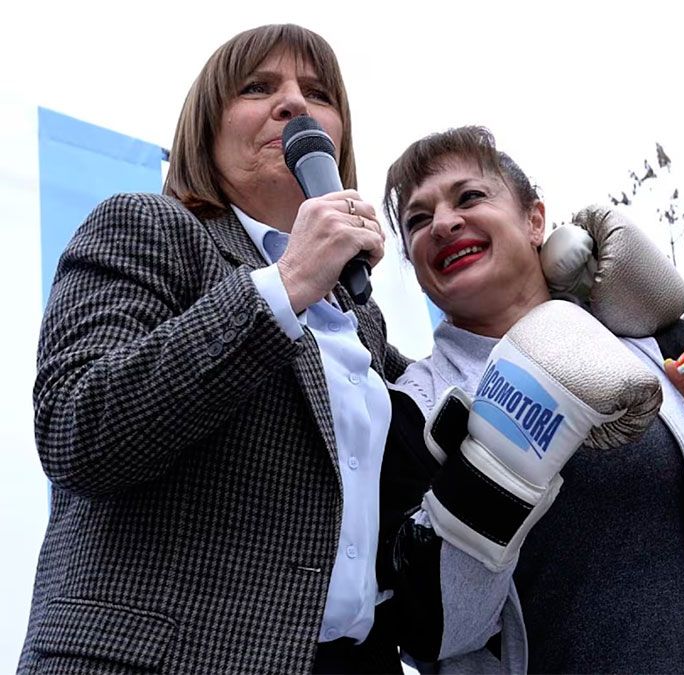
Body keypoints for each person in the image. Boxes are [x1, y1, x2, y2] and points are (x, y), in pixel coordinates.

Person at [377, 126, 684, 674]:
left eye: (469, 197)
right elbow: (425, 632)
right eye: (418, 220)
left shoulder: (662, 344)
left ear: (535, 220)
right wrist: (497, 467)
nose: (443, 223)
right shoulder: (415, 408)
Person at [21, 24, 410, 673]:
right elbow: (75, 429)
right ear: (206, 129)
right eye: (258, 87)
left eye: (318, 94)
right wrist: (286, 283)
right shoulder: (147, 226)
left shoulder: (359, 312)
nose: (294, 104)